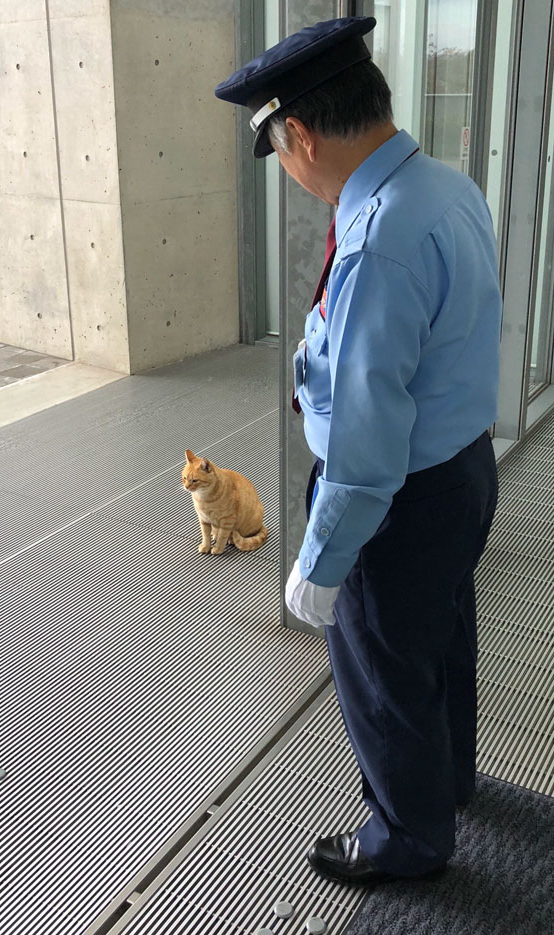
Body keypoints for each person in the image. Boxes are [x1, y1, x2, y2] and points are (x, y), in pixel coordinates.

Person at [215, 16, 501, 884]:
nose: (295, 177)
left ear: (297, 133)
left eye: (283, 154)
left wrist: (319, 561)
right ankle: (447, 780)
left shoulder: (377, 242)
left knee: (379, 667)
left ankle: (407, 841)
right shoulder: (445, 189)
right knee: (440, 635)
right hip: (462, 470)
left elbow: (369, 451)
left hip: (397, 496)